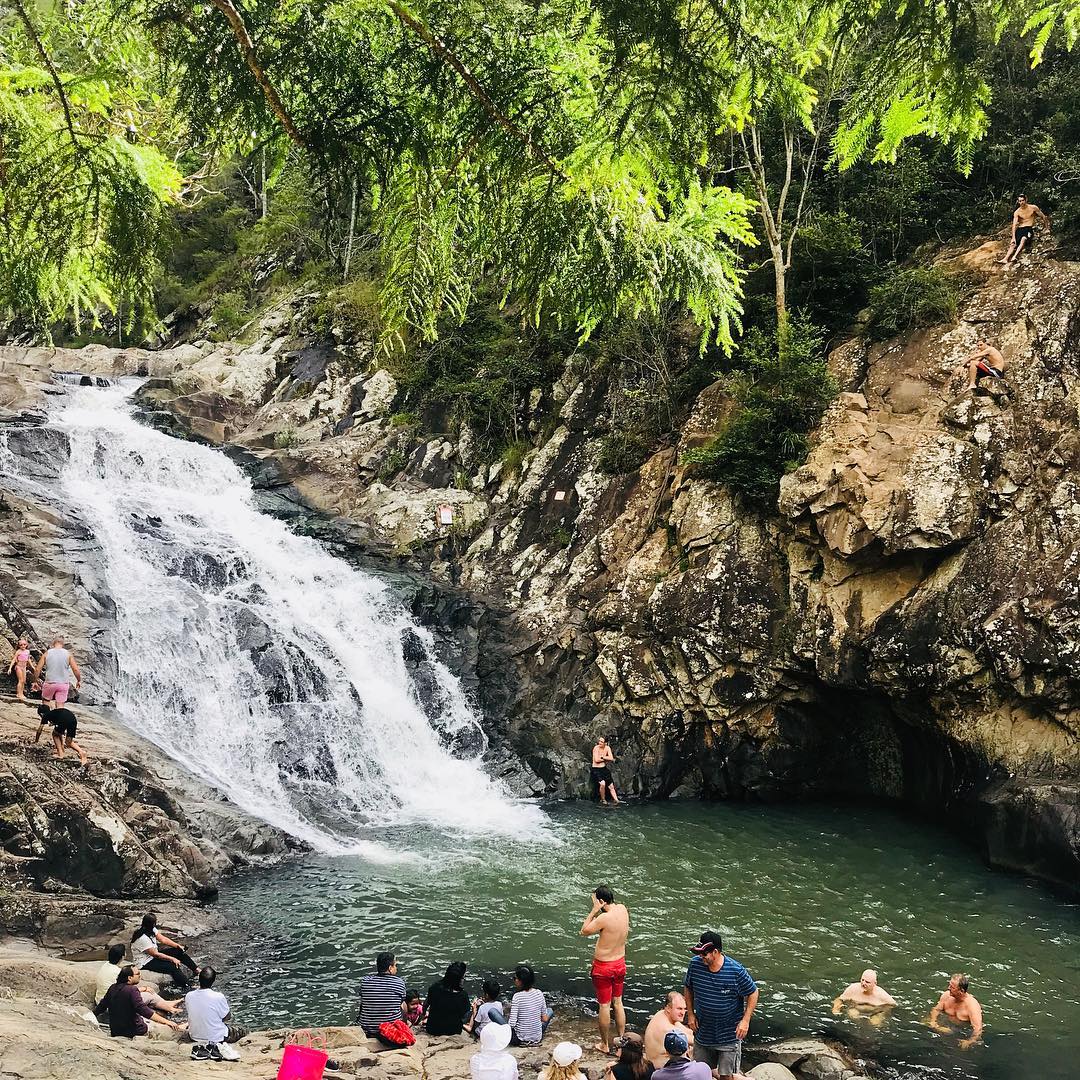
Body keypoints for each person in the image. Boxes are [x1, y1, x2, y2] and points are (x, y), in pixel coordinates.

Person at [683, 933, 758, 1080]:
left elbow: (753, 992)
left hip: (728, 1036)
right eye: (699, 953)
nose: (701, 957)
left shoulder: (735, 971)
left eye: (704, 954)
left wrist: (745, 1020)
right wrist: (690, 1014)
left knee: (726, 1076)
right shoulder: (695, 965)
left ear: (716, 952)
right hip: (703, 1033)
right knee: (700, 1074)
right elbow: (688, 987)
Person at [581, 885, 629, 1053]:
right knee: (618, 1002)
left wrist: (594, 910)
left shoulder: (604, 918)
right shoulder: (623, 909)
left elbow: (584, 931)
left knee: (604, 1005)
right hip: (620, 963)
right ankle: (622, 1043)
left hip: (604, 967)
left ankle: (605, 1044)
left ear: (600, 901)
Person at [94, 966, 184, 1038]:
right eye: (137, 974)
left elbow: (102, 1006)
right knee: (169, 1028)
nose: (140, 976)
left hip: (116, 1031)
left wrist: (91, 1014)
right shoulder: (132, 990)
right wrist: (167, 1022)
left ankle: (170, 1008)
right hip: (134, 1031)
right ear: (129, 978)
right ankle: (184, 1027)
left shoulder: (113, 987)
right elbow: (144, 1010)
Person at [94, 943, 181, 1017]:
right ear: (122, 956)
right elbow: (124, 992)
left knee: (146, 993)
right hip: (114, 1004)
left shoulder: (105, 965)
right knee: (148, 994)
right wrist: (143, 989)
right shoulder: (118, 973)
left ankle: (167, 1004)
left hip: (101, 1000)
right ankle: (170, 1008)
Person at [187, 966, 248, 1062]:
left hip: (194, 1035)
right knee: (242, 1030)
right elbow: (227, 1016)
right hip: (217, 1036)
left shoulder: (189, 996)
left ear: (199, 979)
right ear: (213, 981)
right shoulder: (218, 997)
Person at [130, 913, 199, 987]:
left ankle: (196, 970)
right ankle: (187, 986)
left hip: (153, 956)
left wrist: (178, 946)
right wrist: (172, 959)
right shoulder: (142, 938)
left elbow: (163, 939)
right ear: (153, 923)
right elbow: (156, 954)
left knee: (178, 951)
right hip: (145, 962)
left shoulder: (151, 929)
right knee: (173, 966)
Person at [355, 950, 407, 1037]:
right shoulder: (399, 982)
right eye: (395, 965)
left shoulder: (365, 981)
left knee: (364, 1000)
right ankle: (404, 1028)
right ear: (390, 968)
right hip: (390, 1031)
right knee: (403, 1004)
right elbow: (401, 1002)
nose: (396, 968)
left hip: (367, 1029)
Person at [927, 973, 984, 1050]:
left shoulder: (972, 1006)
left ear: (961, 991)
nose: (948, 988)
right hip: (945, 1025)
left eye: (952, 987)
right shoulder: (946, 996)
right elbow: (936, 1009)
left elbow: (978, 1028)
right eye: (949, 985)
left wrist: (970, 1041)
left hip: (961, 1031)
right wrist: (933, 1021)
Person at [644, 992, 694, 1068]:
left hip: (670, 1063)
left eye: (685, 1009)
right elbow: (695, 1042)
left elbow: (689, 1031)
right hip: (662, 1069)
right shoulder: (667, 1029)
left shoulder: (662, 1014)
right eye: (679, 1009)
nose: (683, 1013)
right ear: (668, 1008)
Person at [508, 964, 553, 1047]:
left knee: (493, 1013)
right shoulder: (539, 993)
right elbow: (545, 1019)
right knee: (550, 1010)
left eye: (515, 978)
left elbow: (512, 1024)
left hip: (519, 1039)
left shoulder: (517, 997)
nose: (514, 980)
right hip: (537, 1037)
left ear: (521, 981)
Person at [831, 969, 896, 1026]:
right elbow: (840, 999)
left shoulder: (882, 995)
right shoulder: (853, 988)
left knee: (875, 1023)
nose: (863, 983)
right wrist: (836, 1008)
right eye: (862, 980)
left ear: (875, 983)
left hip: (875, 1012)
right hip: (856, 1009)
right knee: (853, 1014)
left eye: (867, 982)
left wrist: (882, 1014)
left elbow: (892, 1006)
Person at [425, 961, 472, 1036]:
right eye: (463, 977)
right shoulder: (462, 995)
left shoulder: (434, 988)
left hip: (432, 1028)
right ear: (459, 979)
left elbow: (426, 1005)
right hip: (453, 1031)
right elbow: (465, 1016)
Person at [32, 637, 81, 708]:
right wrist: (79, 680)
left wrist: (35, 681)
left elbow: (37, 669)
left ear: (53, 644)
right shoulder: (68, 654)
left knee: (46, 701)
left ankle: (47, 717)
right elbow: (75, 669)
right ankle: (59, 718)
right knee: (60, 704)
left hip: (50, 683)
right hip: (63, 684)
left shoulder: (47, 653)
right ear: (62, 644)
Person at [1003, 194, 1050, 263]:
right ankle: (1005, 259)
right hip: (1020, 229)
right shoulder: (1017, 212)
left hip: (1028, 229)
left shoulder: (1033, 207)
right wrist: (1013, 237)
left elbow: (1043, 216)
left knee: (1023, 239)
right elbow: (1014, 225)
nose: (1021, 202)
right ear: (1018, 202)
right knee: (1013, 243)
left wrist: (1047, 228)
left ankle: (1014, 256)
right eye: (1020, 201)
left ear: (1026, 200)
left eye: (1022, 200)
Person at [591, 737, 619, 804]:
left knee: (611, 786)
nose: (599, 743)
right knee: (603, 783)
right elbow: (596, 760)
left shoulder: (607, 748)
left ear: (605, 743)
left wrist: (603, 757)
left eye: (601, 742)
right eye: (599, 741)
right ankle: (603, 799)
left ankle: (616, 800)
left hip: (604, 769)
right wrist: (606, 759)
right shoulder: (596, 748)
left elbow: (611, 758)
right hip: (596, 769)